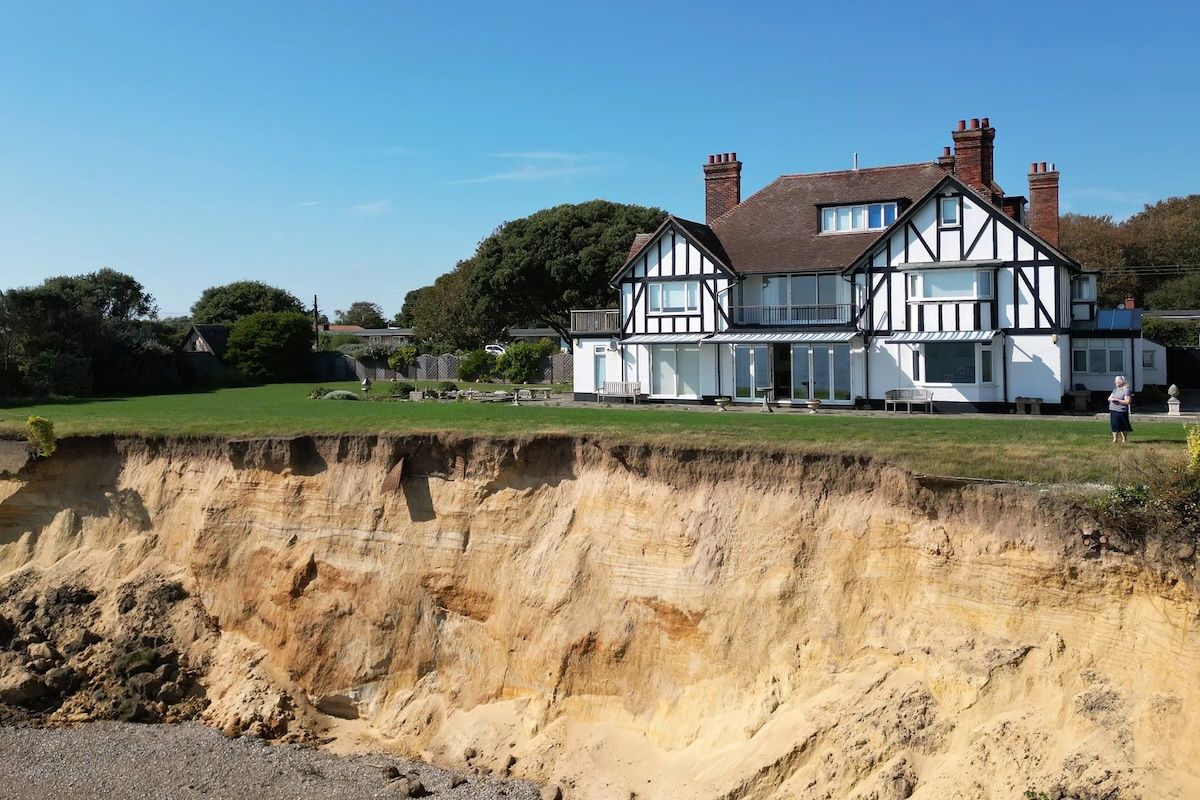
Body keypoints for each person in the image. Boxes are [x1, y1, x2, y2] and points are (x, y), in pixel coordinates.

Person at [1107, 375, 1133, 444]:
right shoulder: (1115, 389)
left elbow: (1127, 401)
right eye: (1115, 381)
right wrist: (1111, 399)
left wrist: (1117, 400)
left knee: (1123, 426)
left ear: (1122, 381)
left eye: (1117, 381)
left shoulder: (1126, 390)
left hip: (1122, 411)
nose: (1115, 382)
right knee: (1114, 425)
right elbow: (1109, 398)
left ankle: (1124, 439)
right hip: (1113, 410)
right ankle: (1115, 439)